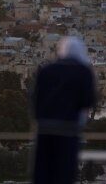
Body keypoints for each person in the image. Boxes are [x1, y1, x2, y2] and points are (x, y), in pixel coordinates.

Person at [31, 36, 96, 184]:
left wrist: (40, 119)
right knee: (64, 172)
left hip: (44, 128)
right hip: (68, 128)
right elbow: (88, 100)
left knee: (43, 171)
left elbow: (35, 98)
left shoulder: (46, 70)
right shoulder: (83, 72)